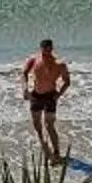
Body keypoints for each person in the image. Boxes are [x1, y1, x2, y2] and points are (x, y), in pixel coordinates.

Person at [19, 38, 72, 166]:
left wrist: (58, 95)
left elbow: (67, 81)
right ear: (41, 49)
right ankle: (47, 152)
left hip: (50, 97)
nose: (46, 54)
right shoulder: (34, 60)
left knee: (50, 126)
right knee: (38, 127)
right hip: (36, 96)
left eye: (49, 51)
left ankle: (57, 153)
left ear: (52, 49)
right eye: (44, 52)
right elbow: (24, 73)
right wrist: (25, 89)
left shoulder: (60, 64)